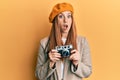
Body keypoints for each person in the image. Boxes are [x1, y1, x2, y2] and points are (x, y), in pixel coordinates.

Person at [35, 2, 92, 80]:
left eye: (69, 16)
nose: (66, 20)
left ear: (72, 20)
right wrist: (50, 63)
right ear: (56, 21)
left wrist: (77, 63)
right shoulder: (44, 43)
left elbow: (88, 72)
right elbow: (39, 75)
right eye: (61, 16)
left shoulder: (82, 42)